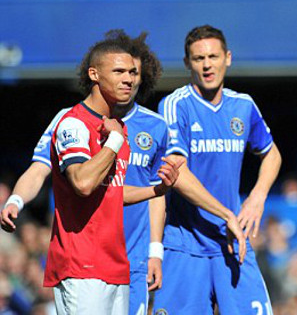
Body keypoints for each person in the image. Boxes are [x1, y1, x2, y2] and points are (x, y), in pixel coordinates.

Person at [1, 31, 246, 315]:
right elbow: (79, 181)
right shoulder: (73, 123)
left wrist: (158, 192)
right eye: (119, 72)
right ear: (94, 74)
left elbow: (113, 190)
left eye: (133, 72)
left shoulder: (144, 126)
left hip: (124, 264)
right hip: (83, 264)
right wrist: (16, 200)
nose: (128, 79)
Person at [154, 25, 282, 314]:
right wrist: (226, 214)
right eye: (199, 59)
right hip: (185, 245)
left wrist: (257, 196)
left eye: (213, 56)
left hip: (233, 243)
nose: (207, 65)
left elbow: (272, 154)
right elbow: (176, 174)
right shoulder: (175, 105)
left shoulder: (243, 105)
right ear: (187, 63)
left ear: (228, 57)